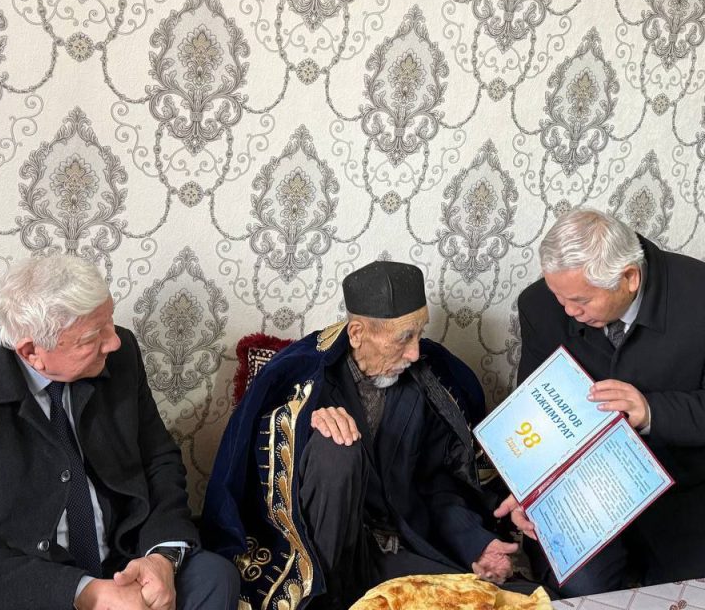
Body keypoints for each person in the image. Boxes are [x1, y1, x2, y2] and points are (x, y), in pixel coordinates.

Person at [0, 254, 239, 610]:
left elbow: (158, 460)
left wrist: (161, 557)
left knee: (213, 577)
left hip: (119, 564)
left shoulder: (120, 354)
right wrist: (87, 593)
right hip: (22, 584)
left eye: (109, 321)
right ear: (32, 351)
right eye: (93, 337)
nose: (113, 341)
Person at [203, 260, 538, 609]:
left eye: (419, 333)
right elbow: (258, 482)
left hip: (396, 551)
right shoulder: (303, 381)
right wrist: (306, 430)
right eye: (404, 338)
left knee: (506, 602)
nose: (415, 352)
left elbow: (437, 484)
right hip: (320, 565)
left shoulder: (426, 381)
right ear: (358, 333)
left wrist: (476, 543)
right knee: (335, 447)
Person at [516, 209, 705, 597]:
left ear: (630, 278)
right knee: (580, 592)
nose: (569, 311)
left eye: (581, 301)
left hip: (685, 486)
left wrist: (651, 411)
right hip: (583, 490)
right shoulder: (539, 303)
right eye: (559, 296)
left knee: (699, 596)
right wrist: (528, 489)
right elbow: (532, 406)